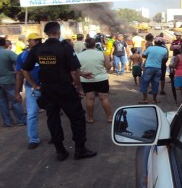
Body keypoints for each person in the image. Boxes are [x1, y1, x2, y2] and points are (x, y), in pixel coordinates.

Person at [22, 21, 97, 161]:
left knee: (53, 119)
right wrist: (80, 89)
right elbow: (73, 72)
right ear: (58, 32)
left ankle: (60, 151)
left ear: (46, 34)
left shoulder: (37, 49)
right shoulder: (65, 48)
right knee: (78, 118)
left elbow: (24, 69)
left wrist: (33, 85)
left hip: (47, 90)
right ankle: (80, 149)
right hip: (65, 89)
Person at [15, 33, 43, 149]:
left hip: (48, 88)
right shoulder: (22, 56)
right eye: (34, 40)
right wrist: (17, 92)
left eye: (39, 40)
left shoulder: (46, 54)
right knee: (31, 114)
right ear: (29, 41)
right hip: (31, 89)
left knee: (53, 113)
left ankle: (55, 136)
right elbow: (19, 75)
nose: (37, 42)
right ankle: (33, 139)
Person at [77, 38, 113, 124]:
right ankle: (110, 118)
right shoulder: (102, 54)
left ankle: (90, 118)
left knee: (89, 99)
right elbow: (108, 67)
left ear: (85, 45)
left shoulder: (79, 55)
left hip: (86, 80)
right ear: (95, 45)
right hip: (101, 79)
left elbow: (77, 70)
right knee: (104, 98)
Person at [0, 37, 25, 127]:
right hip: (9, 80)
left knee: (2, 102)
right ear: (5, 44)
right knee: (15, 101)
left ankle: (8, 122)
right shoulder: (8, 53)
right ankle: (21, 120)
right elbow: (19, 62)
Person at [139, 36, 168, 104]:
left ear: (154, 42)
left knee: (145, 83)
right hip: (158, 68)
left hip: (148, 67)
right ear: (161, 43)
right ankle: (154, 99)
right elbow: (165, 59)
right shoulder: (164, 50)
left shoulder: (150, 48)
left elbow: (143, 55)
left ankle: (145, 99)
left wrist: (149, 56)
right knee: (155, 84)